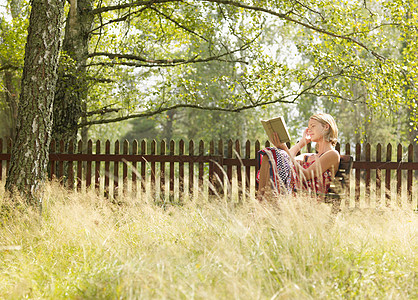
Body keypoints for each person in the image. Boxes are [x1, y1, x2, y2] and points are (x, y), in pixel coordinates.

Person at [256, 113, 340, 200]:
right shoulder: (307, 156)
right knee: (270, 154)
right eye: (308, 127)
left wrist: (284, 148)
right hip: (294, 191)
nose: (309, 129)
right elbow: (286, 160)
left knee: (275, 153)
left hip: (308, 196)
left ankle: (262, 205)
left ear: (326, 127)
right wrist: (302, 142)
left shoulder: (332, 154)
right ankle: (260, 202)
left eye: (313, 126)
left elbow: (306, 175)